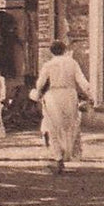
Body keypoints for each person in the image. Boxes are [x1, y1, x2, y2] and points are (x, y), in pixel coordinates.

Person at [32, 40, 93, 174]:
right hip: (70, 95)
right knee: (69, 125)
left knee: (53, 127)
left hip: (54, 96)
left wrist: (39, 92)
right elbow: (81, 80)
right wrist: (89, 94)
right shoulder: (72, 63)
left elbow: (40, 83)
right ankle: (67, 152)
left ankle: (58, 157)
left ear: (51, 51)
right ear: (65, 50)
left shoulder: (48, 65)